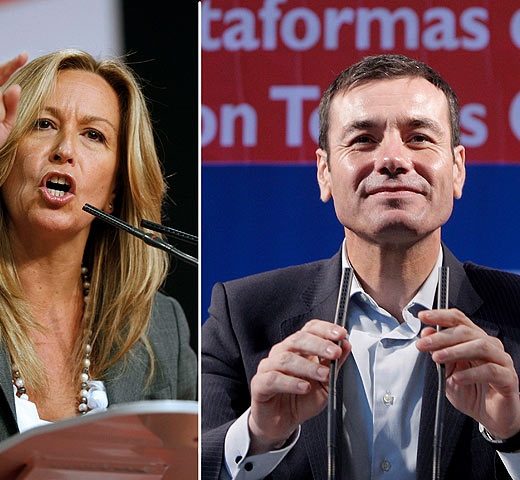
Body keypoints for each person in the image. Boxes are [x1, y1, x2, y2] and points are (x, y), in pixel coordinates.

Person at [0, 49, 197, 479]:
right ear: (4, 155)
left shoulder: (159, 327)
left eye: (94, 135)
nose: (65, 150)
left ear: (115, 189)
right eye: (43, 124)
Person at [201, 54, 520, 479]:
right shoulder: (243, 315)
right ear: (325, 173)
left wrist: (515, 436)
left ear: (458, 169)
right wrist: (257, 436)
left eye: (419, 137)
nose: (392, 159)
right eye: (364, 140)